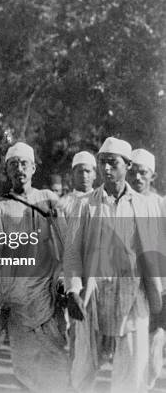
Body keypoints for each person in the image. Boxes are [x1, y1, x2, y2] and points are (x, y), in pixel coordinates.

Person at [65, 137, 162, 393]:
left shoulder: (145, 205)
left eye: (113, 163)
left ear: (127, 165)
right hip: (93, 297)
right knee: (82, 373)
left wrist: (161, 297)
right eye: (103, 163)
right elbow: (73, 253)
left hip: (134, 298)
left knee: (132, 376)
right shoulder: (85, 204)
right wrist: (73, 290)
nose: (106, 169)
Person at [0, 142, 69, 392]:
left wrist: (67, 281)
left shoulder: (49, 199)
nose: (19, 169)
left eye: (24, 164)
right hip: (17, 295)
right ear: (7, 171)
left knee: (55, 359)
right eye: (13, 165)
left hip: (48, 294)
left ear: (33, 168)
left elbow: (66, 243)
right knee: (24, 365)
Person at [127, 148, 165, 389]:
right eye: (133, 173)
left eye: (143, 173)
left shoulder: (161, 205)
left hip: (160, 287)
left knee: (153, 357)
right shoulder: (121, 203)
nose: (137, 178)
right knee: (134, 356)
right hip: (131, 288)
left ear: (153, 176)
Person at [59, 151, 97, 221]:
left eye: (88, 171)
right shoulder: (63, 203)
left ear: (95, 174)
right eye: (80, 172)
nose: (84, 176)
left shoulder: (102, 201)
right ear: (73, 174)